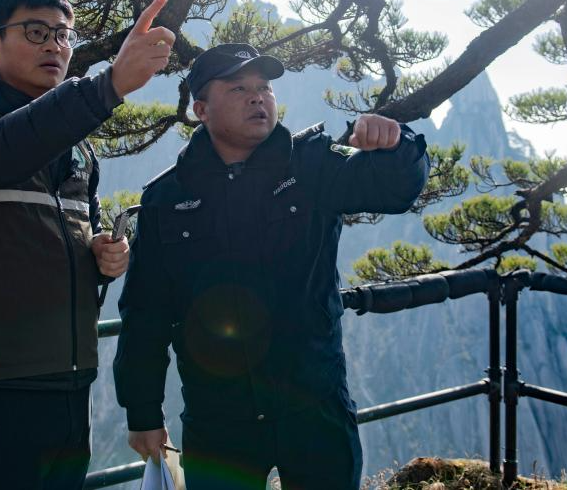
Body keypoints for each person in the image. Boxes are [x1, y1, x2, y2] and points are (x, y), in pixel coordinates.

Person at [113, 43, 431, 490]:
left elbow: (396, 190)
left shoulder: (313, 165)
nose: (258, 97)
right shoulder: (167, 198)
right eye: (239, 87)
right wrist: (142, 411)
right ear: (201, 108)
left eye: (264, 87)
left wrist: (400, 143)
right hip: (218, 419)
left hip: (314, 407)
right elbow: (145, 312)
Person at [0, 0, 174, 489]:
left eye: (63, 34)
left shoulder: (76, 149)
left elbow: (85, 234)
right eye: (35, 31)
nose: (55, 45)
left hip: (69, 376)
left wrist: (102, 252)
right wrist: (108, 84)